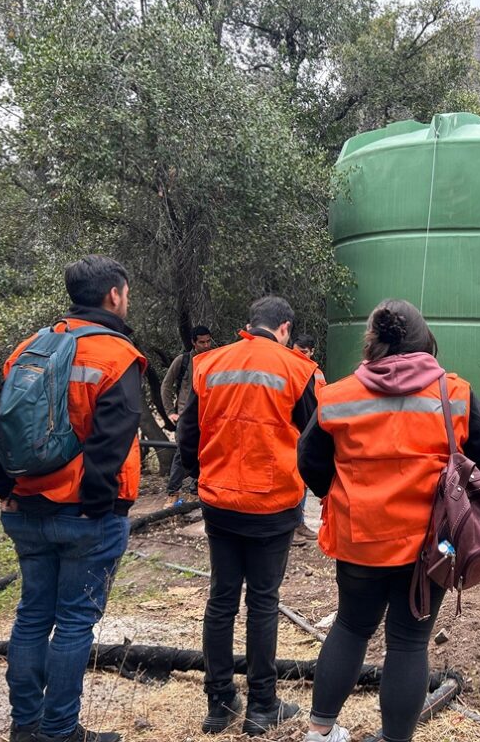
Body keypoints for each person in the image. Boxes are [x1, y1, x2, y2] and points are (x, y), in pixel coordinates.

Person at [297, 299, 480, 742]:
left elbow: (310, 458)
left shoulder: (337, 395)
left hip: (359, 541)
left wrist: (337, 493)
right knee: (410, 643)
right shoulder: (455, 393)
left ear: (373, 343)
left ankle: (319, 732)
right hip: (429, 548)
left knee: (351, 627)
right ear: (424, 340)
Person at [0, 255, 145, 742]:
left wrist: (6, 487)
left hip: (25, 509)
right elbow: (111, 446)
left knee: (32, 614)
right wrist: (98, 507)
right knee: (74, 624)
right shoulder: (118, 357)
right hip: (85, 516)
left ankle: (25, 725)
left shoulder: (31, 346)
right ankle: (59, 731)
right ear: (114, 294)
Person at [177, 296, 318, 736]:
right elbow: (316, 440)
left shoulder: (208, 364)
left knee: (221, 600)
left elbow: (187, 434)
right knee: (263, 602)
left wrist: (207, 476)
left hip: (219, 503)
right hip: (272, 505)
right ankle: (262, 706)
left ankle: (219, 704)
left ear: (248, 324)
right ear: (285, 328)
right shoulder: (299, 370)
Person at [160, 325, 213, 507]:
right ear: (193, 342)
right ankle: (173, 493)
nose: (206, 345)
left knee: (205, 454)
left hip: (207, 415)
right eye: (201, 342)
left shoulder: (216, 358)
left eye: (208, 341)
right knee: (181, 454)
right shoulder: (182, 361)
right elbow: (165, 385)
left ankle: (195, 493)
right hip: (185, 416)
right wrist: (170, 412)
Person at [291, 333, 326, 542]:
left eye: (304, 352)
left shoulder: (317, 374)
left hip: (312, 430)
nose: (300, 356)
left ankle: (299, 523)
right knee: (293, 480)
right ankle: (292, 526)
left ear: (312, 352)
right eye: (297, 351)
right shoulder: (290, 371)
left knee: (303, 481)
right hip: (295, 432)